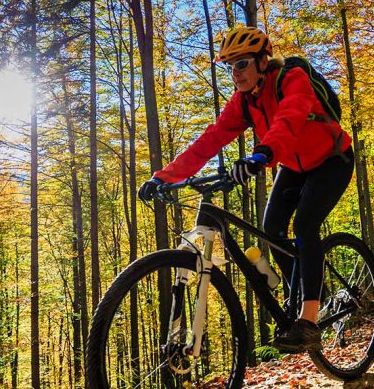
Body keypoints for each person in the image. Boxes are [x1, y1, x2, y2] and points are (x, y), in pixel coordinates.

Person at [136, 26, 354, 351]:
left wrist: (262, 154)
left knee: (305, 224)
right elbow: (210, 140)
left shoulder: (291, 78)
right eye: (230, 67)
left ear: (263, 61)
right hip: (294, 166)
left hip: (332, 159)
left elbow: (290, 118)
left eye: (241, 64)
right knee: (272, 228)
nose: (235, 73)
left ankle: (308, 321)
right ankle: (311, 293)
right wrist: (163, 177)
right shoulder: (243, 102)